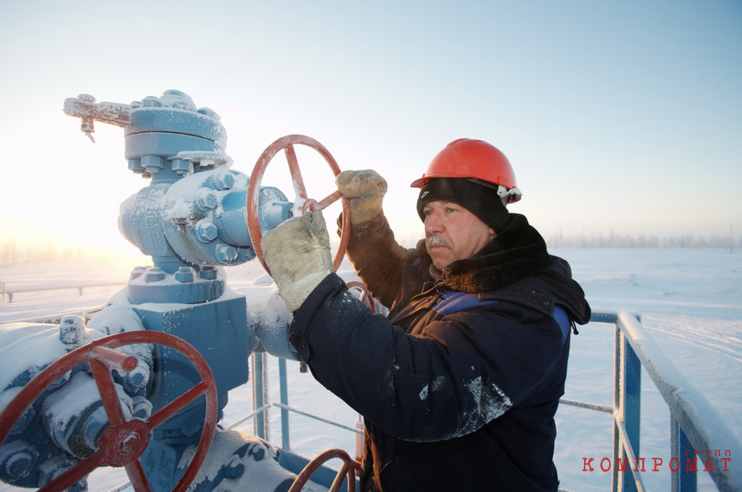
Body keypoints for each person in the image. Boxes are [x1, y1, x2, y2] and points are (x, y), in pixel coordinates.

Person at [261, 138, 592, 492]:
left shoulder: (529, 313)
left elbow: (426, 393)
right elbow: (393, 272)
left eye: (451, 210)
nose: (432, 225)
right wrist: (365, 223)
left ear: (492, 221)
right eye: (428, 211)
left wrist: (313, 291)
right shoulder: (450, 272)